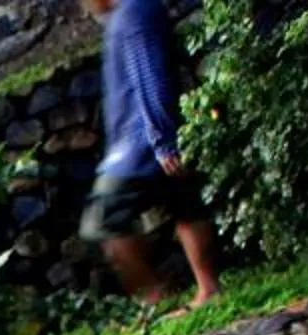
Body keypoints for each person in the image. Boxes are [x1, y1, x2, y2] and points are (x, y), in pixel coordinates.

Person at [82, 0, 221, 306]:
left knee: (103, 224)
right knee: (185, 205)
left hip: (138, 146)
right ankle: (207, 289)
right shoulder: (131, 13)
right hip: (141, 141)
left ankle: (156, 297)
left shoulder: (135, 12)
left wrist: (163, 140)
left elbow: (151, 78)